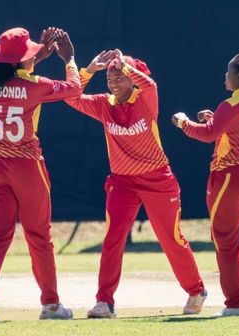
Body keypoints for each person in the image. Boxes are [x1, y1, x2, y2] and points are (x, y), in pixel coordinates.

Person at [65, 49, 207, 318]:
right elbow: (71, 98)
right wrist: (90, 70)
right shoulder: (104, 104)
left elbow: (150, 84)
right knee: (113, 239)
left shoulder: (145, 99)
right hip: (122, 182)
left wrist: (126, 66)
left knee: (170, 238)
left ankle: (196, 290)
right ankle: (104, 302)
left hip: (157, 179)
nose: (114, 82)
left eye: (119, 76)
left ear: (131, 78)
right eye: (110, 77)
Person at [0, 27, 80, 322]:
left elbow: (15, 73)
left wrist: (37, 54)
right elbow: (74, 88)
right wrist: (69, 59)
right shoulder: (35, 85)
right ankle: (51, 304)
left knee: (0, 235)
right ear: (23, 60)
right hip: (26, 166)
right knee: (39, 235)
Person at [172, 52, 239, 317]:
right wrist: (213, 119)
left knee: (225, 242)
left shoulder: (230, 105)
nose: (225, 76)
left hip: (229, 177)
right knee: (227, 237)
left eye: (229, 72)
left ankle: (235, 303)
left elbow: (208, 136)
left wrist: (183, 122)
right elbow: (232, 130)